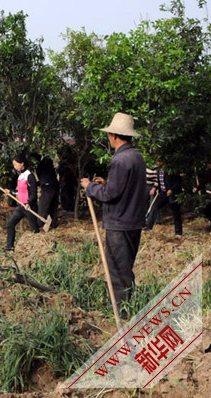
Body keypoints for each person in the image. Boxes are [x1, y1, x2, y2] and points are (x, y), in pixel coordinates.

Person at [80, 112, 146, 310]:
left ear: (114, 136)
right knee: (125, 267)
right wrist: (107, 183)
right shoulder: (136, 157)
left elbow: (110, 194)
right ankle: (129, 303)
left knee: (117, 270)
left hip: (119, 222)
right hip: (134, 221)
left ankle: (122, 312)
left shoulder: (120, 160)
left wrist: (89, 187)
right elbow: (125, 187)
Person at [4, 154, 40, 251]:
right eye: (14, 165)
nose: (15, 167)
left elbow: (34, 193)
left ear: (22, 164)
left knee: (34, 229)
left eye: (16, 164)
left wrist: (29, 203)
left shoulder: (30, 175)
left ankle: (36, 248)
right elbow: (19, 192)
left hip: (29, 207)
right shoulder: (20, 176)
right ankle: (9, 246)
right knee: (10, 224)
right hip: (20, 206)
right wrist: (10, 192)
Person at [145, 161, 183, 236]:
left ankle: (178, 232)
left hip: (172, 194)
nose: (157, 163)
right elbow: (159, 182)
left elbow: (178, 182)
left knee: (176, 213)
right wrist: (155, 188)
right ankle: (148, 226)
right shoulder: (159, 170)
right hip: (163, 193)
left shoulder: (171, 170)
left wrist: (171, 190)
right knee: (154, 207)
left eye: (158, 161)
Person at [31, 153, 59, 228]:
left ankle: (39, 225)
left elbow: (44, 178)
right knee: (53, 206)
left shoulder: (42, 166)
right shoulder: (48, 163)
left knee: (42, 207)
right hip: (54, 185)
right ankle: (53, 224)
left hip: (47, 186)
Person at [193, 163, 211, 230]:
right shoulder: (209, 173)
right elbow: (203, 182)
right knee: (206, 208)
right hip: (210, 194)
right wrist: (197, 188)